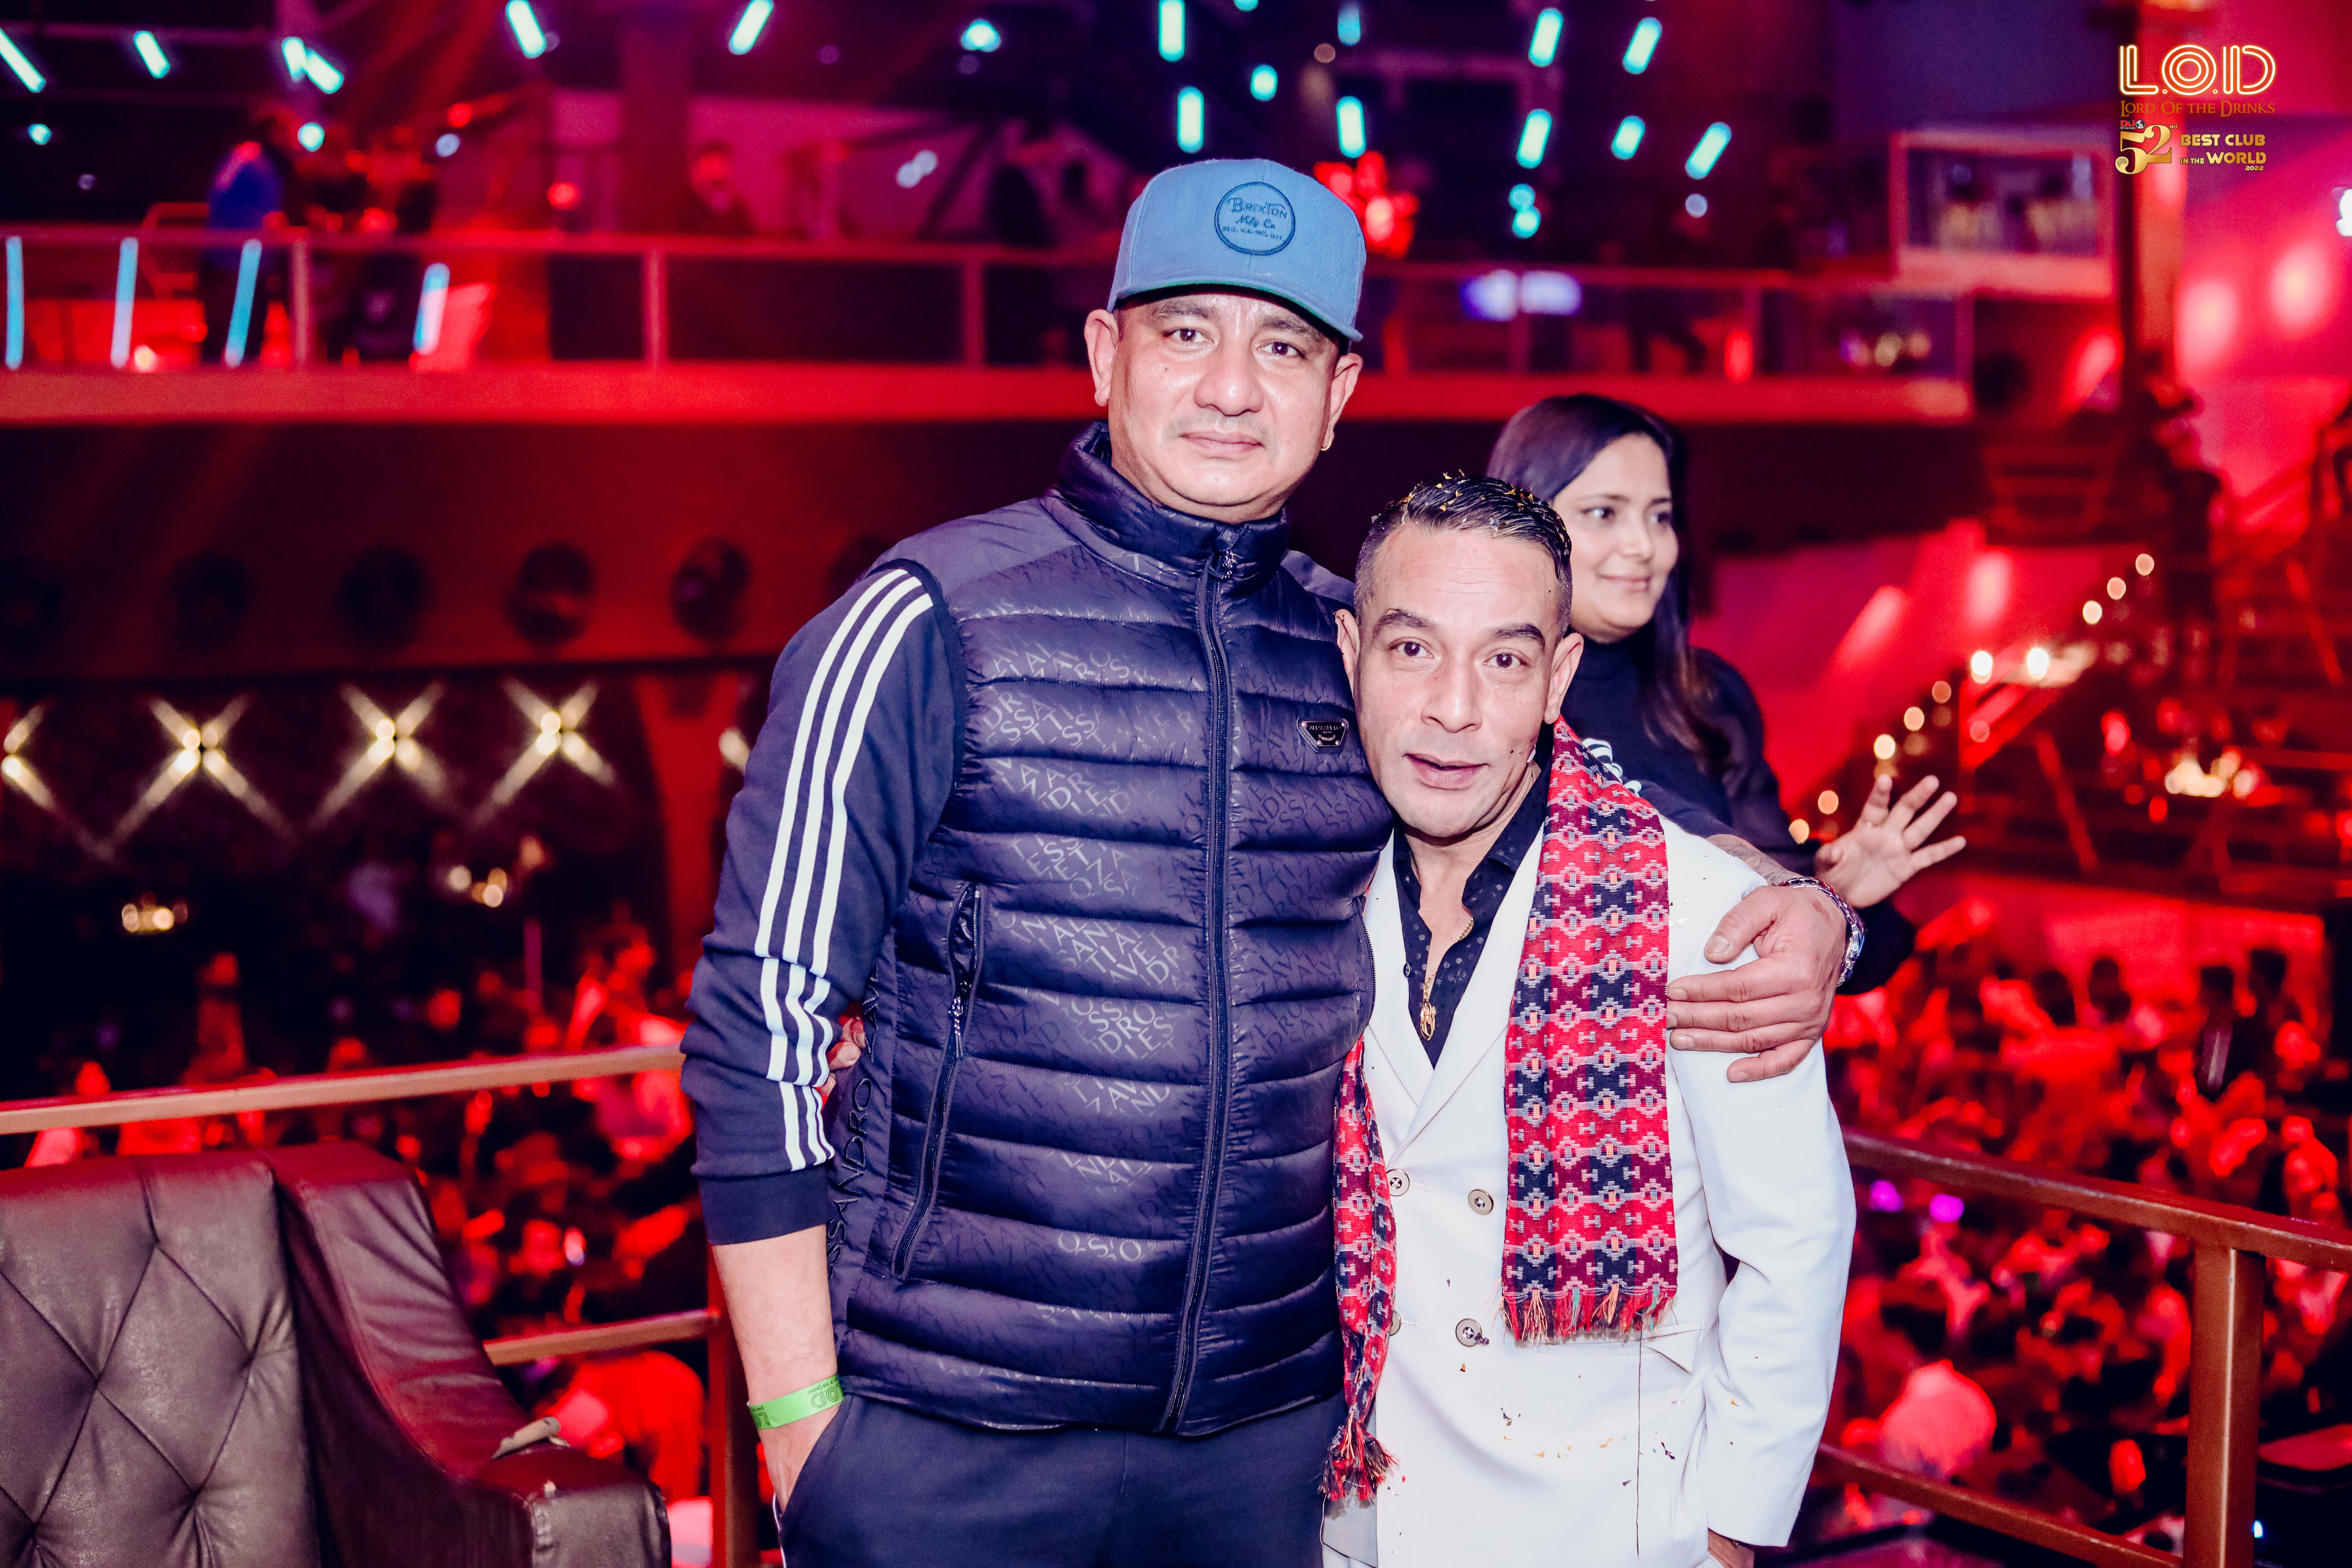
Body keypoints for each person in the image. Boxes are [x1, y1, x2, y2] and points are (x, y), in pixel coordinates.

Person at [682, 157, 1856, 1568]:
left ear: (1340, 390)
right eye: (1188, 332)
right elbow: (757, 1023)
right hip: (950, 1432)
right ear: (1106, 355)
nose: (1233, 387)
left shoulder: (1362, 652)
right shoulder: (929, 623)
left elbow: (1587, 811)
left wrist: (1810, 911)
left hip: (1266, 1451)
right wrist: (801, 1423)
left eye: (1285, 347)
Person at [1318, 478, 1855, 1568]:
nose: (1455, 708)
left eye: (1505, 661)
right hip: (1368, 1512)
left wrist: (1731, 1530)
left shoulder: (1695, 908)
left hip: (1610, 1520)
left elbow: (1794, 1236)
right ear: (1351, 653)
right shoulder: (1311, 879)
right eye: (1413, 650)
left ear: (1559, 676)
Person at [1489, 393, 1961, 995]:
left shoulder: (1707, 697)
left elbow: (1781, 915)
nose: (1645, 546)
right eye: (1604, 513)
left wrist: (1832, 893)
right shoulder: (1480, 699)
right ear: (1522, 522)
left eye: (1660, 517)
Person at [200, 107, 299, 365]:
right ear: (273, 131)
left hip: (259, 267)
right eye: (287, 131)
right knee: (220, 336)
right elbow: (219, 200)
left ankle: (246, 390)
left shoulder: (276, 165)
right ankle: (205, 388)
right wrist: (261, 223)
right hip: (227, 265)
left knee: (253, 340)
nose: (292, 138)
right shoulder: (244, 157)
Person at [677, 140, 756, 237]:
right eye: (710, 165)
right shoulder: (682, 209)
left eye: (722, 164)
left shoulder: (739, 211)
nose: (717, 171)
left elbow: (746, 240)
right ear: (697, 170)